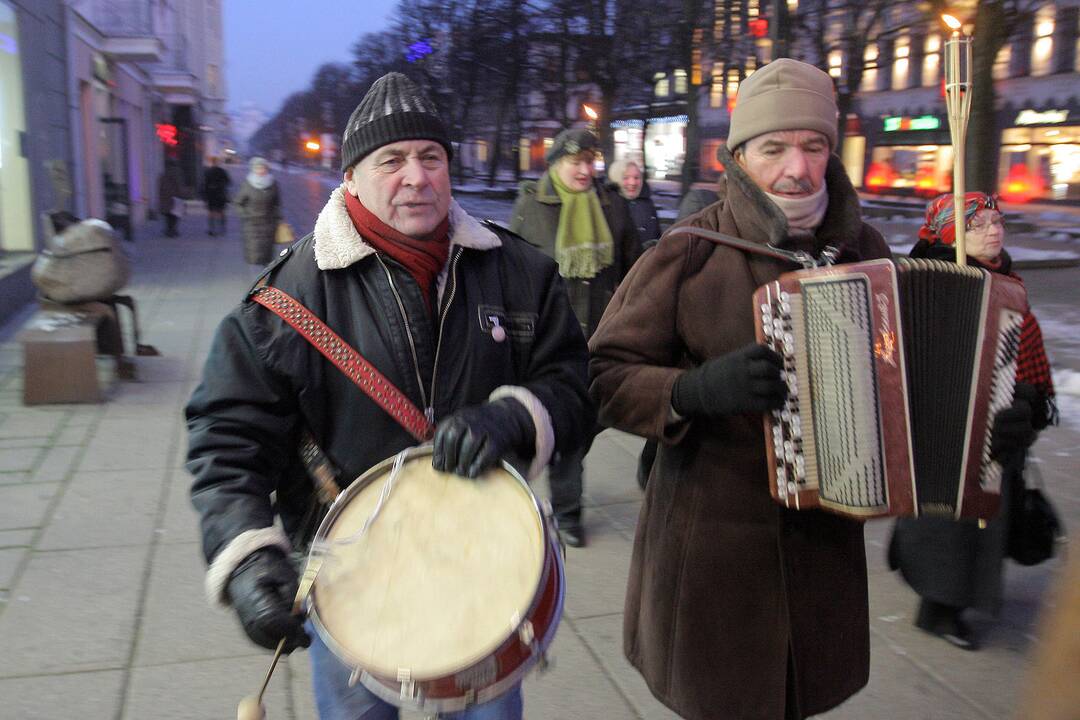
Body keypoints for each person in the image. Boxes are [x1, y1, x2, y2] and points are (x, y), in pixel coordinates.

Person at [185, 72, 592, 720]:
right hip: (351, 578)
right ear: (352, 178)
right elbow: (225, 439)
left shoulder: (521, 272)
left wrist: (514, 417)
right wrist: (247, 560)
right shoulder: (284, 301)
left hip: (482, 566)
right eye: (392, 160)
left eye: (431, 157)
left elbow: (575, 385)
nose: (416, 176)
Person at [588, 59, 893, 719]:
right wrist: (693, 391)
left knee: (797, 698)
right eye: (774, 147)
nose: (797, 167)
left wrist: (981, 429)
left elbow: (903, 377)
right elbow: (605, 376)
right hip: (711, 560)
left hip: (823, 554)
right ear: (738, 156)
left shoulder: (867, 250)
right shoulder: (690, 250)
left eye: (813, 146)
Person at [888, 192, 1057, 651]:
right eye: (978, 224)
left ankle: (959, 598)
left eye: (997, 220)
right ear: (949, 233)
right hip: (939, 431)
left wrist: (1026, 399)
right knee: (945, 523)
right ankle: (939, 608)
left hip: (999, 429)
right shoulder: (919, 279)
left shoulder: (1007, 281)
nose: (994, 230)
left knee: (986, 516)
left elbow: (1027, 357)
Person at [509, 128, 639, 548]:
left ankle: (642, 467)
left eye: (590, 160)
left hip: (603, 334)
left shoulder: (612, 205)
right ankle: (566, 511)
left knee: (592, 422)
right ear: (555, 163)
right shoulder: (533, 205)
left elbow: (635, 269)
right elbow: (509, 270)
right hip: (550, 341)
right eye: (575, 161)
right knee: (566, 426)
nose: (585, 169)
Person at [233, 156, 282, 266]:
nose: (260, 170)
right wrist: (245, 215)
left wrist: (278, 218)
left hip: (269, 223)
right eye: (258, 168)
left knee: (268, 253)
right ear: (253, 169)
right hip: (252, 224)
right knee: (254, 254)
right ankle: (258, 277)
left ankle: (266, 276)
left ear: (267, 169)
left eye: (263, 168)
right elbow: (237, 202)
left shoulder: (273, 183)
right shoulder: (247, 184)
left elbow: (277, 203)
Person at [607, 158, 661, 248]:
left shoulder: (648, 203)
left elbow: (658, 236)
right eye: (625, 178)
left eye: (636, 178)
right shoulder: (607, 206)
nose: (632, 182)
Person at [201, 156, 231, 236]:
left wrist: (204, 197)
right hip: (220, 193)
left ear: (211, 162)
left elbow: (204, 185)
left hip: (211, 194)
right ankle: (222, 229)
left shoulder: (207, 171)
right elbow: (229, 182)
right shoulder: (222, 171)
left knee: (211, 212)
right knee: (221, 212)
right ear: (218, 162)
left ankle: (212, 229)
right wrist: (221, 185)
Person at [157, 159, 184, 238]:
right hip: (175, 196)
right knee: (175, 214)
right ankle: (173, 230)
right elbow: (179, 184)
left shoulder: (163, 174)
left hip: (166, 197)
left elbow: (160, 186)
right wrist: (181, 194)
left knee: (168, 214)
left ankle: (169, 230)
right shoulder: (178, 173)